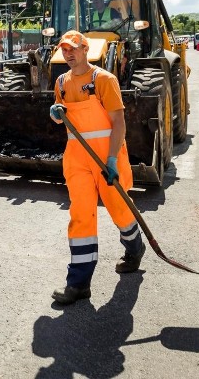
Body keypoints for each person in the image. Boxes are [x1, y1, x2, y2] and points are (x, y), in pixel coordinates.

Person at [48, 31, 145, 305]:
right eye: (64, 50)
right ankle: (78, 283)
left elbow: (119, 123)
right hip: (77, 159)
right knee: (81, 215)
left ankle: (135, 248)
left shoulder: (103, 80)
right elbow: (62, 116)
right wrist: (55, 114)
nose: (69, 54)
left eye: (74, 49)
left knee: (119, 208)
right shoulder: (62, 82)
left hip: (107, 158)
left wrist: (112, 159)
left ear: (85, 49)